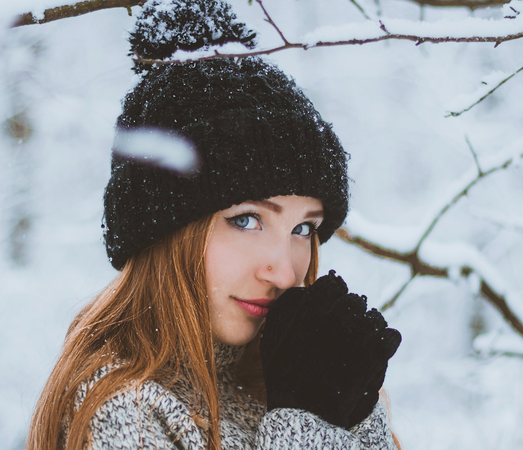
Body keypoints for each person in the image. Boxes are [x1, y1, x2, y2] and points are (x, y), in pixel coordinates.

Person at [27, 0, 402, 448]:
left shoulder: (292, 378)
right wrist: (307, 429)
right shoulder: (131, 413)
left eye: (303, 229)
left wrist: (354, 417)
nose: (285, 273)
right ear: (165, 231)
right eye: (247, 220)